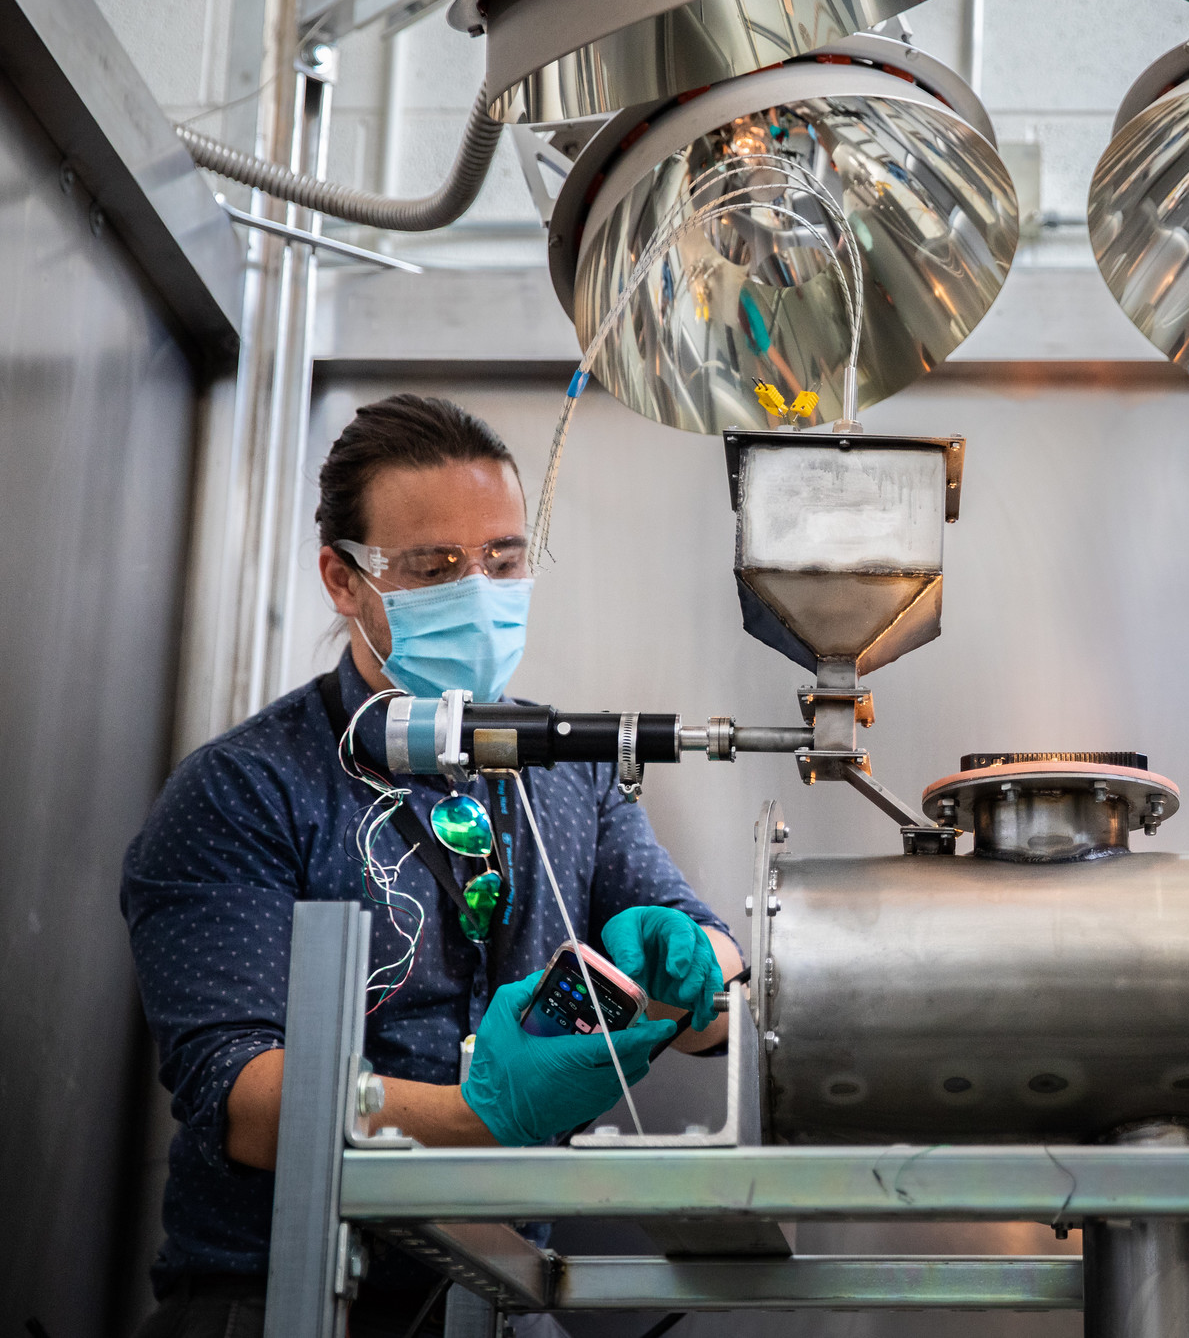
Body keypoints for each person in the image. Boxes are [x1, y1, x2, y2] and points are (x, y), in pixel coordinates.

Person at [122, 394, 744, 1337]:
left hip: (504, 1295)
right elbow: (239, 1094)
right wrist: (484, 1115)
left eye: (502, 560)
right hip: (278, 1296)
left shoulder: (567, 773)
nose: (480, 592)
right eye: (433, 567)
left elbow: (716, 996)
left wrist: (693, 968)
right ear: (343, 578)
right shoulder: (245, 791)